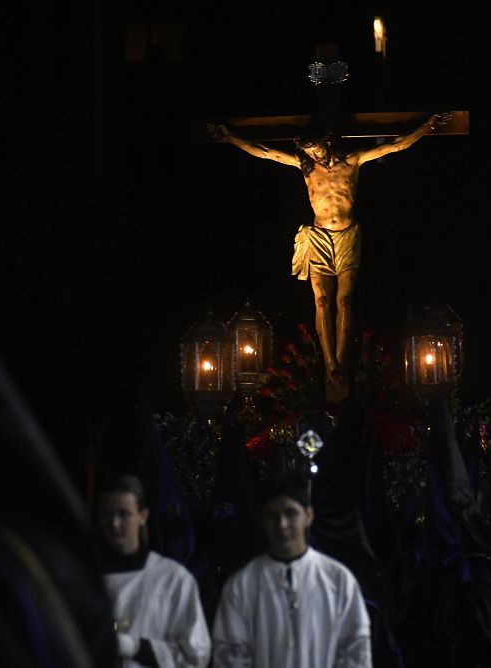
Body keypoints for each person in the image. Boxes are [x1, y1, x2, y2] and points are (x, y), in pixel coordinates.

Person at [208, 113, 453, 403]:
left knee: (344, 301)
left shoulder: (353, 161)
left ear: (326, 143)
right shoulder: (306, 168)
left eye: (317, 149)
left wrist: (427, 126)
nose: (314, 155)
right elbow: (265, 152)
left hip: (347, 235)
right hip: (319, 236)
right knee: (322, 301)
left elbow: (396, 145)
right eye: (309, 152)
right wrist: (230, 136)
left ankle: (340, 356)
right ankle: (329, 363)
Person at [211, 472, 372, 667]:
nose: (282, 525)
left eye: (291, 513)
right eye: (272, 515)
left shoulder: (338, 579)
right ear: (262, 521)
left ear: (308, 516)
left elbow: (355, 651)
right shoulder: (241, 585)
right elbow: (230, 654)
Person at [95, 474, 212, 667]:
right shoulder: (87, 578)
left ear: (143, 515)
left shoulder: (173, 579)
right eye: (107, 514)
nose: (114, 524)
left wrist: (138, 647)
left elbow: (196, 655)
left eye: (123, 514)